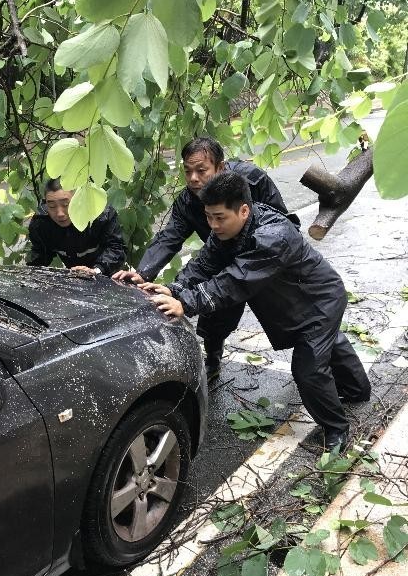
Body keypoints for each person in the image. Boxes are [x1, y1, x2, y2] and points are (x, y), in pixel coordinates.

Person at [139, 172, 371, 452]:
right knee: (328, 342)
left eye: (220, 217)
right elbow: (204, 265)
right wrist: (174, 290)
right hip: (293, 301)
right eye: (209, 217)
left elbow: (235, 280)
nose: (213, 225)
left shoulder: (273, 236)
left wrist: (186, 303)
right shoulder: (224, 232)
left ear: (244, 210)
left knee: (308, 368)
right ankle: (358, 390)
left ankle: (336, 428)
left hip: (320, 301)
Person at [113, 136, 297, 377]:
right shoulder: (187, 201)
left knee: (301, 319)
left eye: (201, 170)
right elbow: (169, 238)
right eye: (187, 171)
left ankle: (330, 364)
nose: (193, 178)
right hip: (220, 263)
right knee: (214, 318)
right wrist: (141, 273)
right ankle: (212, 357)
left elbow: (281, 224)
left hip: (262, 263)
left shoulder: (252, 180)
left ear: (219, 167)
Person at [27, 179, 126, 275]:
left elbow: (116, 248)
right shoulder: (41, 222)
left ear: (79, 200)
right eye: (52, 206)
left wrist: (96, 270)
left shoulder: (101, 215)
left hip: (104, 274)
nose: (59, 214)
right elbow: (40, 254)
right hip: (73, 276)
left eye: (66, 204)